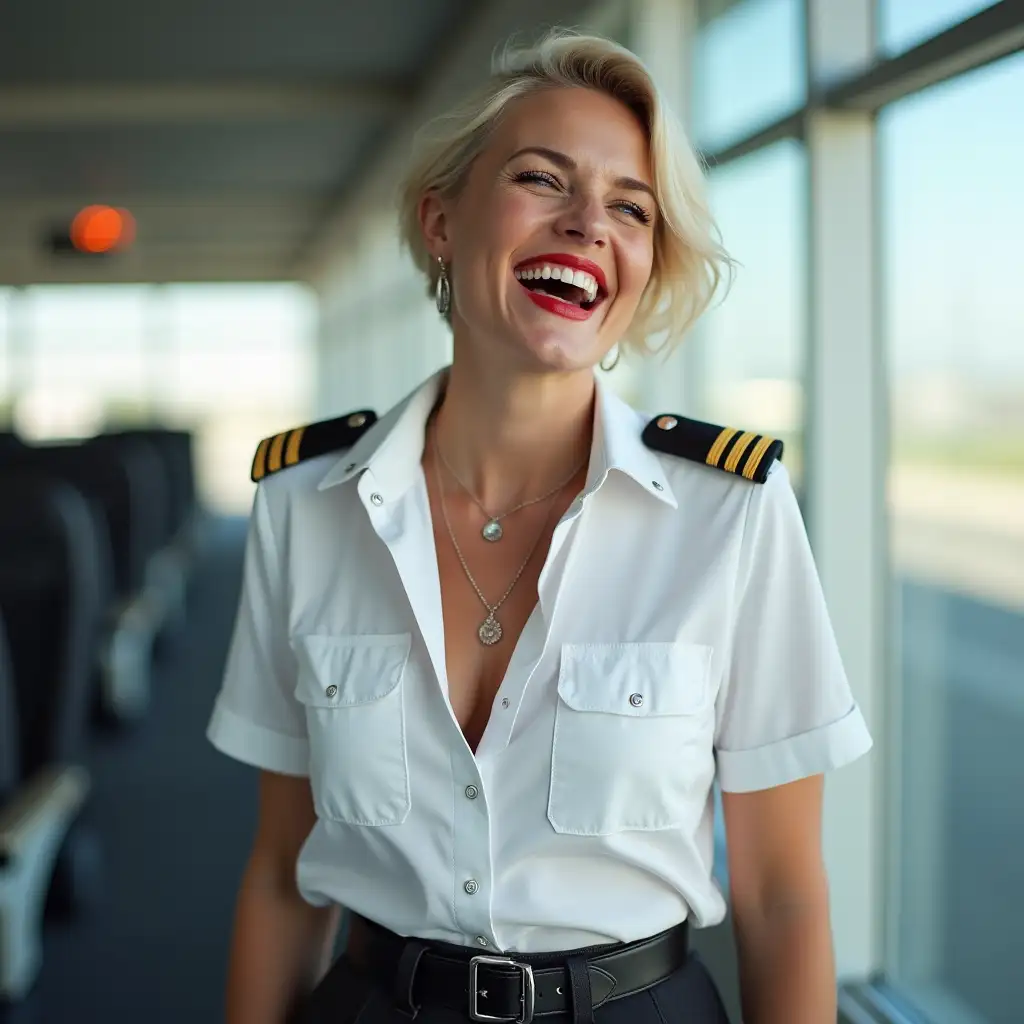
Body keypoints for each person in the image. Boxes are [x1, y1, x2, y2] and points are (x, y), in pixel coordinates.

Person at [207, 28, 873, 1024]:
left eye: (630, 208)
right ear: (441, 218)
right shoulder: (304, 504)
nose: (587, 224)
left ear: (648, 263)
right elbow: (277, 873)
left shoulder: (730, 510)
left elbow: (780, 894)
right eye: (541, 179)